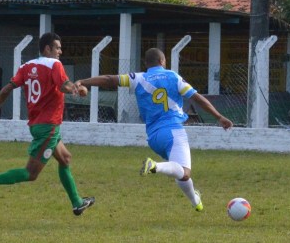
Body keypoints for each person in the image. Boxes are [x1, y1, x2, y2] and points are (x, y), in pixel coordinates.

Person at [75, 47, 233, 212]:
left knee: (178, 170)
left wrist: (83, 82)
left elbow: (108, 79)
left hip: (154, 137)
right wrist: (218, 116)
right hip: (173, 131)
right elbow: (197, 98)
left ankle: (196, 202)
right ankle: (155, 166)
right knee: (184, 171)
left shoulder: (138, 78)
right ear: (163, 61)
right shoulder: (173, 77)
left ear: (146, 63)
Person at [0, 32, 95, 216]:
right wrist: (77, 89)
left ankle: (77, 203)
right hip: (48, 127)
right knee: (31, 173)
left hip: (37, 125)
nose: (60, 51)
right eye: (58, 47)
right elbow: (64, 86)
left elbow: (7, 88)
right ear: (48, 48)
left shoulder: (26, 66)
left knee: (65, 158)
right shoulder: (55, 64)